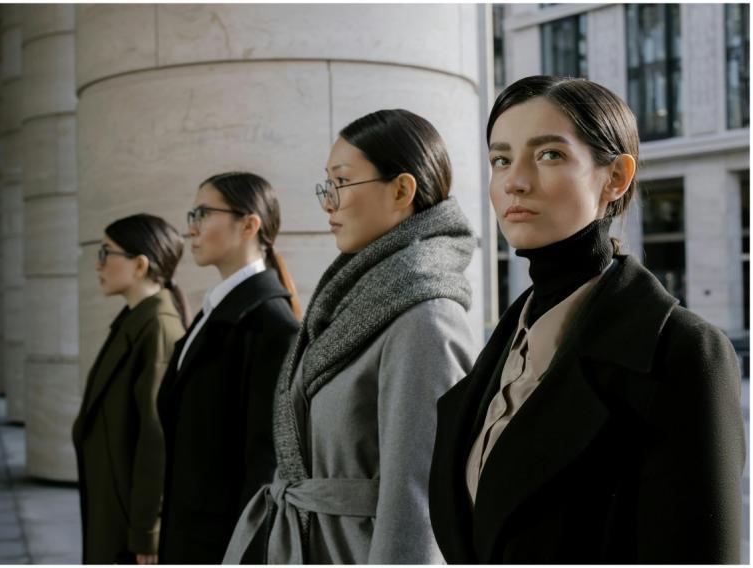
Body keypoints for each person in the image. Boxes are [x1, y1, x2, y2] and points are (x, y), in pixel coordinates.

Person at [428, 75, 746, 563]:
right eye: (500, 159)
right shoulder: (502, 349)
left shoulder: (682, 352)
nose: (515, 180)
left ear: (616, 178)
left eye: (549, 154)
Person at [223, 109, 478, 564]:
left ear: (401, 190)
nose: (328, 202)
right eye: (327, 184)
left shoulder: (425, 320)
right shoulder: (352, 300)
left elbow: (417, 506)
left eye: (341, 182)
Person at [156, 172, 301, 563]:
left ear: (249, 224)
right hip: (187, 533)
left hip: (220, 546)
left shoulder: (272, 326)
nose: (191, 229)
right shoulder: (214, 311)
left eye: (202, 214)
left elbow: (264, 467)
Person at [73, 213, 191, 565]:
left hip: (126, 522)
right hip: (114, 509)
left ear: (139, 265)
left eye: (106, 253)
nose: (98, 264)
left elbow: (155, 442)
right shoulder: (135, 321)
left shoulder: (155, 328)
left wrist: (146, 532)